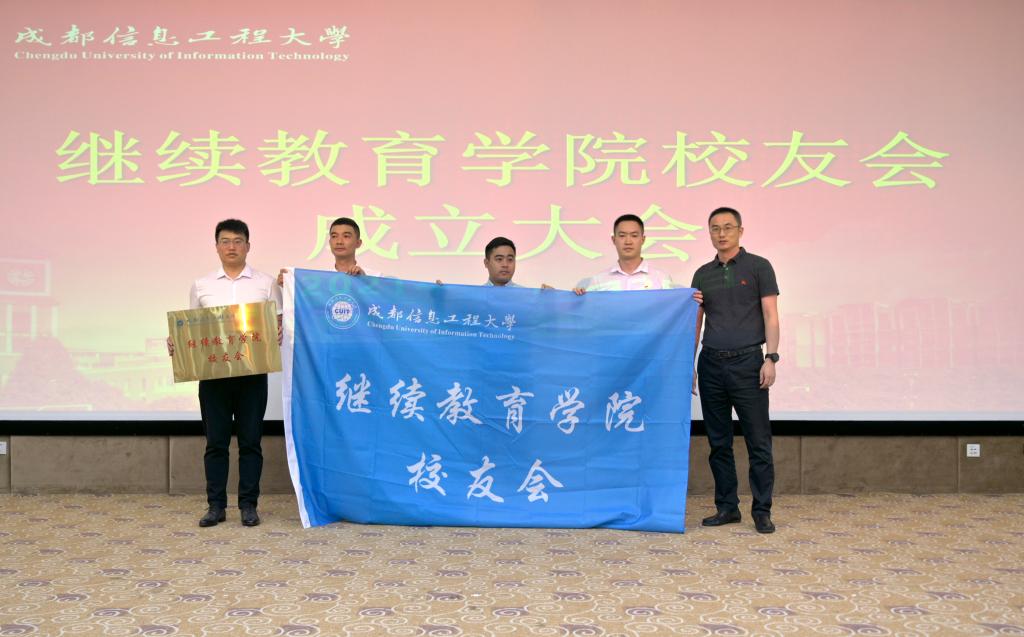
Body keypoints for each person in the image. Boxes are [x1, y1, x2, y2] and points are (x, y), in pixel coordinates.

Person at [169, 219, 282, 528]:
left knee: (250, 442)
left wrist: (278, 331)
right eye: (225, 241)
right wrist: (177, 341)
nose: (231, 246)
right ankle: (215, 506)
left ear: (248, 245)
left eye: (237, 241)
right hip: (214, 376)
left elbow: (278, 324)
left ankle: (248, 505)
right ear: (216, 246)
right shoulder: (202, 285)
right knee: (216, 443)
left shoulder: (266, 283)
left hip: (252, 375)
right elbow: (191, 327)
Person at [691, 206, 780, 534]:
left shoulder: (759, 266)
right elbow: (696, 323)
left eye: (728, 227)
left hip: (748, 363)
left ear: (740, 231)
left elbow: (770, 315)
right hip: (711, 363)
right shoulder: (702, 273)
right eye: (715, 228)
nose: (721, 233)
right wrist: (690, 365)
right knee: (719, 442)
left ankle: (762, 510)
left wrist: (771, 357)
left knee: (758, 441)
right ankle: (727, 507)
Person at [573, 214, 677, 293]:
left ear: (643, 239)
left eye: (634, 236)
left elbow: (674, 308)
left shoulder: (661, 278)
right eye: (622, 236)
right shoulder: (598, 281)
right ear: (614, 239)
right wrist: (577, 298)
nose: (628, 242)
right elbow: (587, 311)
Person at [279, 217, 381, 285]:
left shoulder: (376, 277)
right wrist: (290, 286)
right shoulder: (319, 280)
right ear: (330, 242)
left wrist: (365, 281)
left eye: (346, 236)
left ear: (358, 243)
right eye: (334, 236)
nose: (339, 241)